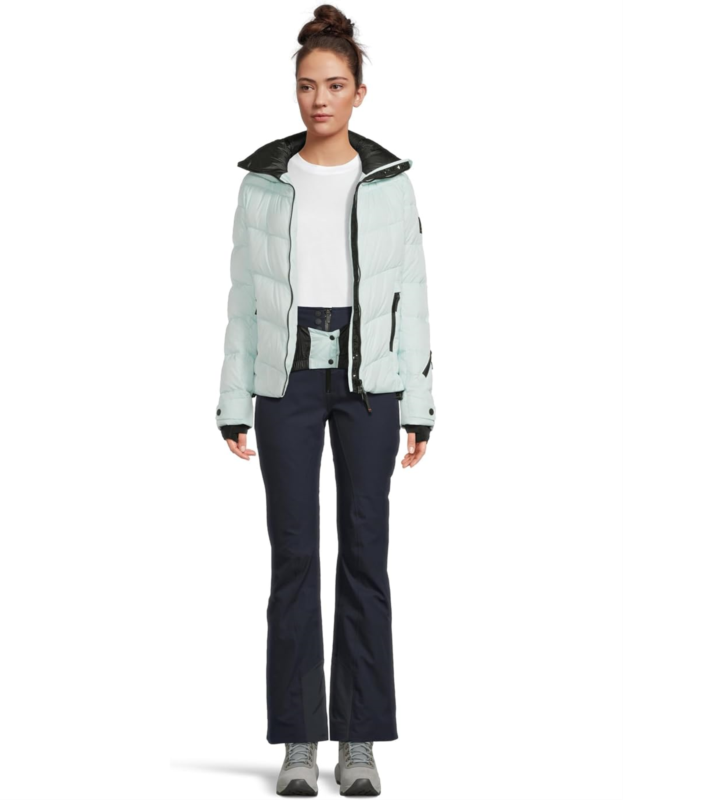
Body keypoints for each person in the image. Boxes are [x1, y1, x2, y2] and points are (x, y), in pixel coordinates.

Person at [214, 5, 435, 795]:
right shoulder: (264, 185)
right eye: (308, 86)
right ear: (296, 90)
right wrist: (233, 399)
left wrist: (420, 403)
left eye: (335, 85)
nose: (320, 100)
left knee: (365, 555)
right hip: (287, 380)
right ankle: (301, 742)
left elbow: (412, 297)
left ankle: (360, 742)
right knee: (295, 556)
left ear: (359, 92)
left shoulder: (389, 184)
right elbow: (244, 300)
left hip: (371, 382)